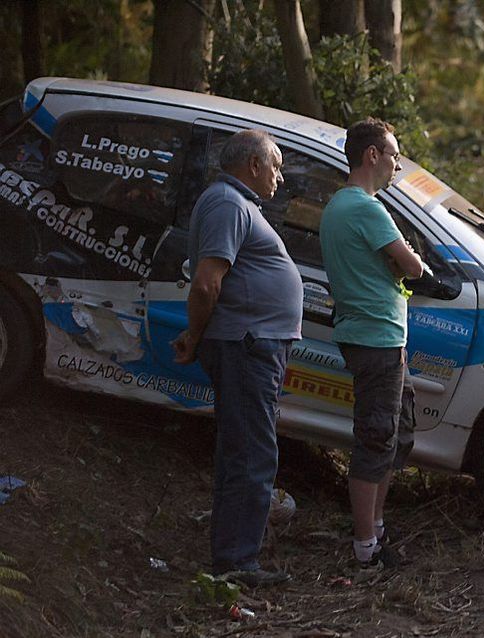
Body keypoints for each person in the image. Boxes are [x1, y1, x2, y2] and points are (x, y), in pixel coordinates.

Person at [172, 129, 300, 587]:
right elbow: (207, 283)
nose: (280, 177)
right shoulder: (228, 203)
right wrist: (194, 333)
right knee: (252, 455)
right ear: (253, 165)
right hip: (246, 345)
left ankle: (232, 557)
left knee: (241, 451)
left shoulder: (234, 202)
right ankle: (237, 563)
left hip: (251, 344)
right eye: (277, 166)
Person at [319, 118, 423, 569]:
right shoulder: (365, 208)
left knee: (395, 431)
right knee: (377, 436)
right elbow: (413, 267)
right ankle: (366, 546)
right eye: (394, 155)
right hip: (375, 337)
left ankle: (376, 530)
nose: (398, 164)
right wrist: (408, 260)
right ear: (372, 155)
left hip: (376, 335)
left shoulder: (341, 205)